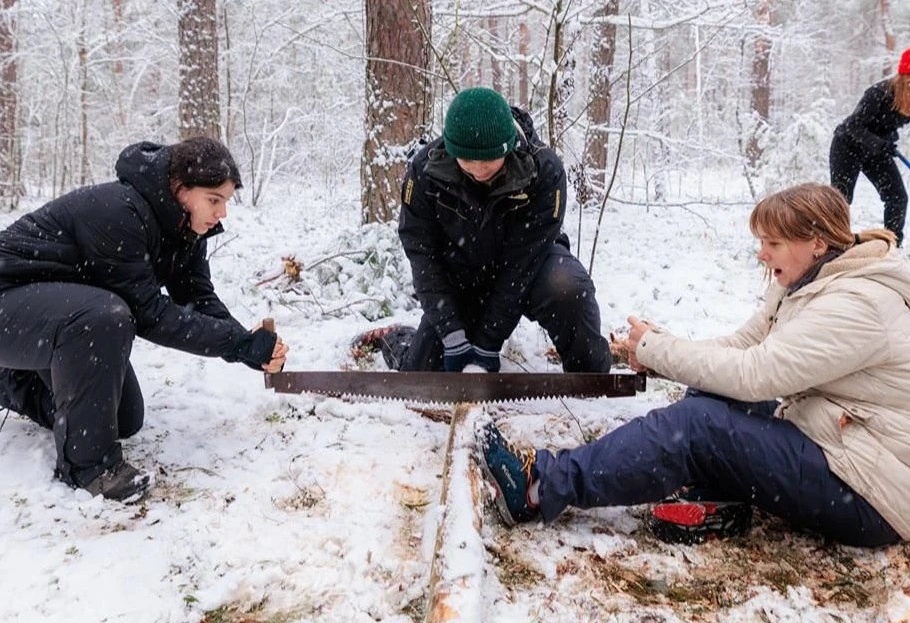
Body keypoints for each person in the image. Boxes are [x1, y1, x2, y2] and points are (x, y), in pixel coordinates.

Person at [479, 183, 910, 547]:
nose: (762, 254)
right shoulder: (809, 282)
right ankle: (714, 497)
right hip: (837, 447)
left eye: (774, 243)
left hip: (874, 493)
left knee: (698, 425)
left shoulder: (856, 305)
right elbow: (742, 346)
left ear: (818, 243)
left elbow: (754, 373)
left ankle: (541, 486)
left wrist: (657, 352)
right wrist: (659, 349)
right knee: (709, 396)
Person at [0, 138, 288, 503]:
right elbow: (150, 314)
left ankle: (10, 380)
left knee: (124, 418)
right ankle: (90, 470)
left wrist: (246, 344)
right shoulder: (118, 211)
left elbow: (196, 296)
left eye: (226, 202)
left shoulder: (185, 229)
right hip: (10, 301)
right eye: (214, 200)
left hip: (47, 320)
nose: (222, 213)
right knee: (106, 317)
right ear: (181, 189)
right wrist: (236, 346)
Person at [355, 87, 611, 374]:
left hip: (530, 267)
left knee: (567, 286)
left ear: (508, 146)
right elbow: (423, 257)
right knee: (422, 370)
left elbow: (521, 266)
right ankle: (397, 337)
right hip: (460, 274)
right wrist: (452, 335)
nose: (478, 171)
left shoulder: (543, 170)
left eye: (487, 162)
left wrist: (488, 342)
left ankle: (591, 376)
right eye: (466, 161)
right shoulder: (425, 172)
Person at [830, 44, 910, 246]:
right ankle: (834, 245)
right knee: (841, 200)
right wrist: (878, 143)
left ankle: (891, 245)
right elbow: (853, 126)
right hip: (847, 147)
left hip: (877, 152)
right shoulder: (879, 92)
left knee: (897, 197)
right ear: (907, 71)